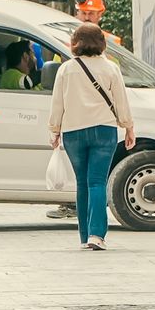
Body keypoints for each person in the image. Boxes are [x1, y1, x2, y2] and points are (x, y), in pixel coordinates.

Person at [48, 23, 135, 250]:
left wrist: (54, 130)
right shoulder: (110, 68)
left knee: (82, 183)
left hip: (73, 131)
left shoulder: (66, 69)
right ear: (102, 44)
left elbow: (57, 103)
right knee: (97, 181)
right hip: (103, 130)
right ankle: (97, 235)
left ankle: (84, 235)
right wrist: (128, 127)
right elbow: (121, 101)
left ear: (75, 43)